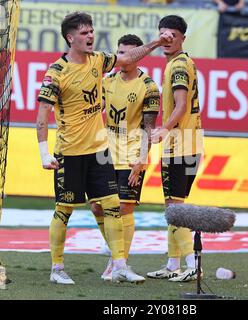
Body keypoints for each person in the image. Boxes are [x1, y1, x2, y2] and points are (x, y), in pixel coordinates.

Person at [36, 11, 172, 285]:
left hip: (99, 151)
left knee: (112, 206)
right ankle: (57, 268)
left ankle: (120, 265)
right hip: (69, 153)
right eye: (84, 32)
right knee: (64, 210)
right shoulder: (56, 72)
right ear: (70, 37)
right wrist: (44, 153)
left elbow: (128, 58)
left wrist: (156, 44)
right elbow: (42, 116)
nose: (90, 36)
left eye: (91, 31)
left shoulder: (98, 60)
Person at [92, 34, 160, 281]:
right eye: (121, 52)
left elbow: (149, 128)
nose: (124, 57)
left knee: (123, 207)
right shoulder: (107, 81)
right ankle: (115, 254)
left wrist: (142, 159)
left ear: (140, 54)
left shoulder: (149, 87)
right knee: (97, 207)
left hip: (132, 153)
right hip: (104, 152)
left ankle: (118, 261)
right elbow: (93, 111)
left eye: (130, 53)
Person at [147, 15, 204, 282]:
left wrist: (165, 129)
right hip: (190, 141)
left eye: (172, 35)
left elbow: (181, 105)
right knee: (174, 206)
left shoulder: (178, 66)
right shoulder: (183, 62)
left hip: (179, 143)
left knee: (174, 207)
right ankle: (173, 264)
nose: (167, 40)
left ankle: (193, 265)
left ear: (182, 37)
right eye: (163, 35)